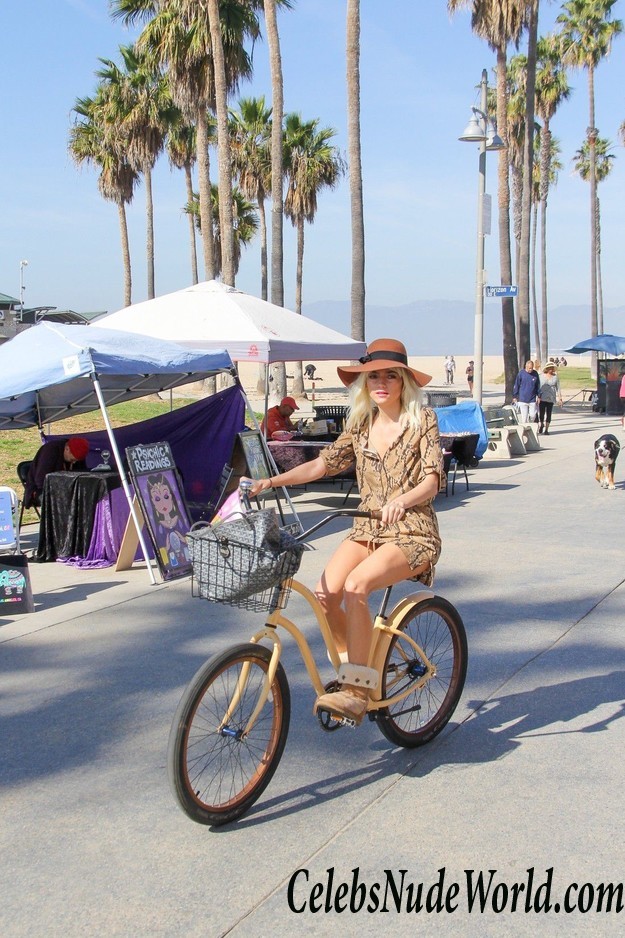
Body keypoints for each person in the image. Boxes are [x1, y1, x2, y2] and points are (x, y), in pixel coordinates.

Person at [243, 338, 444, 725]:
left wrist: (404, 499)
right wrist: (270, 483)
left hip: (412, 531)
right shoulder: (360, 424)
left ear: (404, 381)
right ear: (364, 383)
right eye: (373, 377)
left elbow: (433, 480)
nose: (381, 383)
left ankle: (356, 690)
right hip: (367, 527)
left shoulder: (423, 421)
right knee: (325, 593)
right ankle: (359, 668)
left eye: (390, 375)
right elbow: (322, 465)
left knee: (356, 587)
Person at [23, 437, 90, 508]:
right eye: (72, 459)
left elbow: (81, 473)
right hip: (42, 489)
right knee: (63, 500)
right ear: (67, 449)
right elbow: (41, 480)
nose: (74, 462)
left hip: (66, 489)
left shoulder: (77, 453)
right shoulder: (50, 451)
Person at [537, 362, 562, 435]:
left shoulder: (555, 377)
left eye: (552, 368)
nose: (552, 369)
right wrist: (537, 396)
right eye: (550, 368)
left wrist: (560, 398)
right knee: (541, 413)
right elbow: (538, 387)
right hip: (542, 397)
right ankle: (541, 424)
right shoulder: (541, 376)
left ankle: (546, 429)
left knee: (549, 413)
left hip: (551, 397)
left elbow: (558, 388)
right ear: (547, 369)